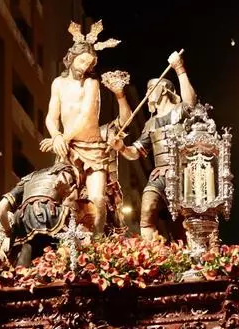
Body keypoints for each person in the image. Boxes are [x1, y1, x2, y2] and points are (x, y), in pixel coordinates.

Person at [44, 20, 120, 235]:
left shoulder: (91, 84)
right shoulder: (58, 83)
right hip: (68, 149)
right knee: (59, 195)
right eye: (82, 61)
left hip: (93, 148)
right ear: (72, 58)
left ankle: (97, 240)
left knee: (97, 198)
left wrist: (62, 138)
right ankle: (65, 239)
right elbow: (51, 117)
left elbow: (87, 117)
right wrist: (56, 136)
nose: (85, 66)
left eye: (89, 63)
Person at [109, 51, 196, 239]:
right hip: (160, 174)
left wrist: (179, 68)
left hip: (182, 172)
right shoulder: (150, 123)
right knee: (147, 210)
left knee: (184, 221)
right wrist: (121, 147)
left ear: (164, 89)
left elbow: (190, 102)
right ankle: (152, 254)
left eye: (151, 89)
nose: (147, 93)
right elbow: (135, 152)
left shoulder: (180, 111)